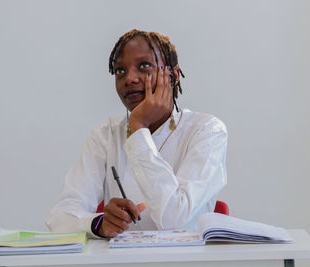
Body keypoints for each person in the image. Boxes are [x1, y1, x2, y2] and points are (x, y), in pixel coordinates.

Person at [45, 29, 228, 238]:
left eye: (144, 66)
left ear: (173, 75)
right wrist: (98, 224)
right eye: (120, 71)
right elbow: (59, 215)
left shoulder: (206, 131)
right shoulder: (105, 136)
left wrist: (138, 128)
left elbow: (176, 222)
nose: (129, 79)